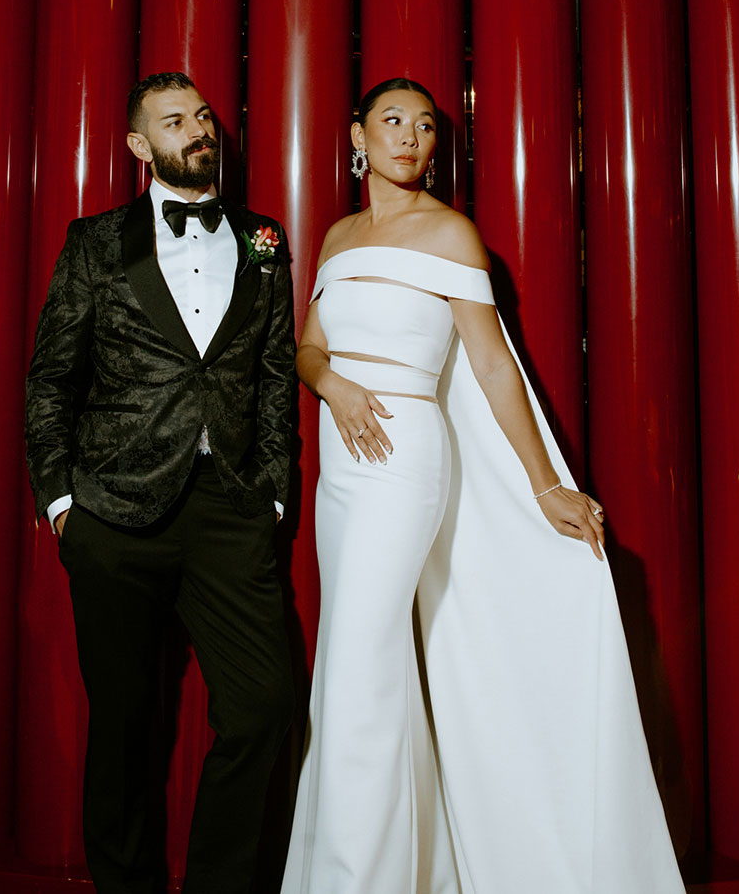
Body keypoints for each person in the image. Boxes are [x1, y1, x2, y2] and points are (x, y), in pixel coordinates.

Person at [280, 77, 685, 894]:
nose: (410, 137)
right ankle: (397, 873)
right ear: (357, 135)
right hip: (341, 466)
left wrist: (545, 487)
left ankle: (353, 881)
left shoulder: (451, 234)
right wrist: (335, 386)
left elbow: (496, 368)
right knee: (351, 665)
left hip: (402, 460)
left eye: (425, 126)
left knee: (359, 663)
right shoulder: (336, 237)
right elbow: (307, 347)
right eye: (392, 121)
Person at [25, 72, 294, 894]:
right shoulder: (95, 242)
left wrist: (274, 493)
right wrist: (64, 504)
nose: (199, 128)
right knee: (126, 727)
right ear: (141, 146)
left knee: (265, 707)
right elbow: (49, 380)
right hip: (114, 512)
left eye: (204, 115)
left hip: (230, 509)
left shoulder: (264, 241)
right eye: (175, 120)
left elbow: (277, 375)